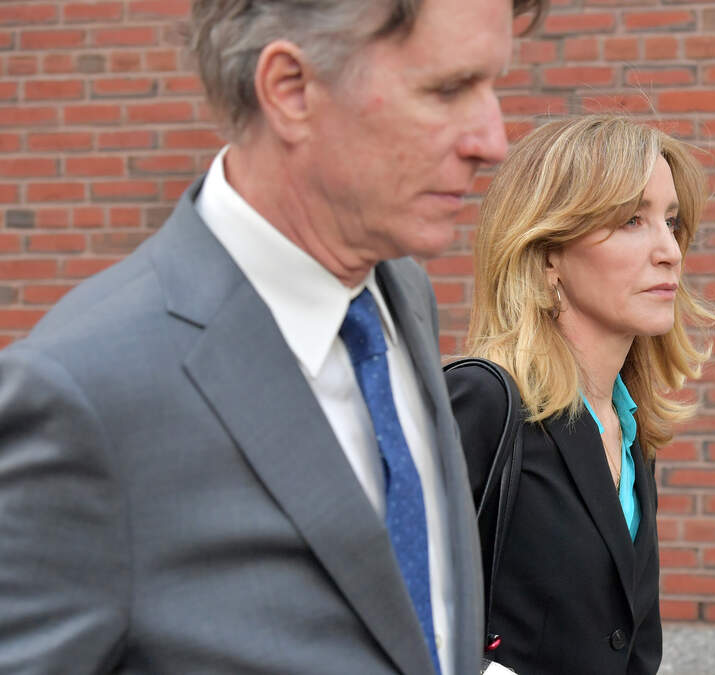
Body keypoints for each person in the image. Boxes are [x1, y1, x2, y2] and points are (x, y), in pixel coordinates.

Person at [0, 0, 545, 672]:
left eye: (492, 85)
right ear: (290, 89)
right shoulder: (82, 394)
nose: (493, 141)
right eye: (448, 89)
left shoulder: (400, 293)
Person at [446, 115, 715, 674]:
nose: (669, 250)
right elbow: (384, 609)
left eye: (671, 222)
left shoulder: (629, 428)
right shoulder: (484, 403)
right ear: (548, 254)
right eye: (631, 220)